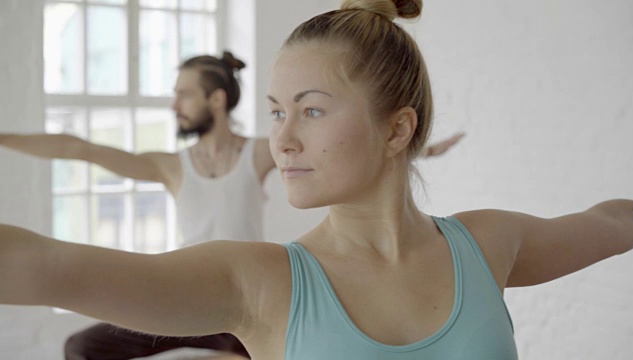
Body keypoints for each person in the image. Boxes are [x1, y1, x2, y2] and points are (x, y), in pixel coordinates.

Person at [3, 0, 633, 359]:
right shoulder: (260, 281)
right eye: (277, 112)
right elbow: (50, 264)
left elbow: (613, 223)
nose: (282, 138)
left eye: (309, 110)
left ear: (396, 130)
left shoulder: (489, 243)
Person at [0, 47, 461, 360]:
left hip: (245, 304)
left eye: (184, 94)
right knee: (82, 347)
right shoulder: (171, 166)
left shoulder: (259, 152)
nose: (174, 104)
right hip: (184, 297)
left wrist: (409, 144)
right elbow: (79, 148)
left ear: (216, 100)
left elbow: (338, 149)